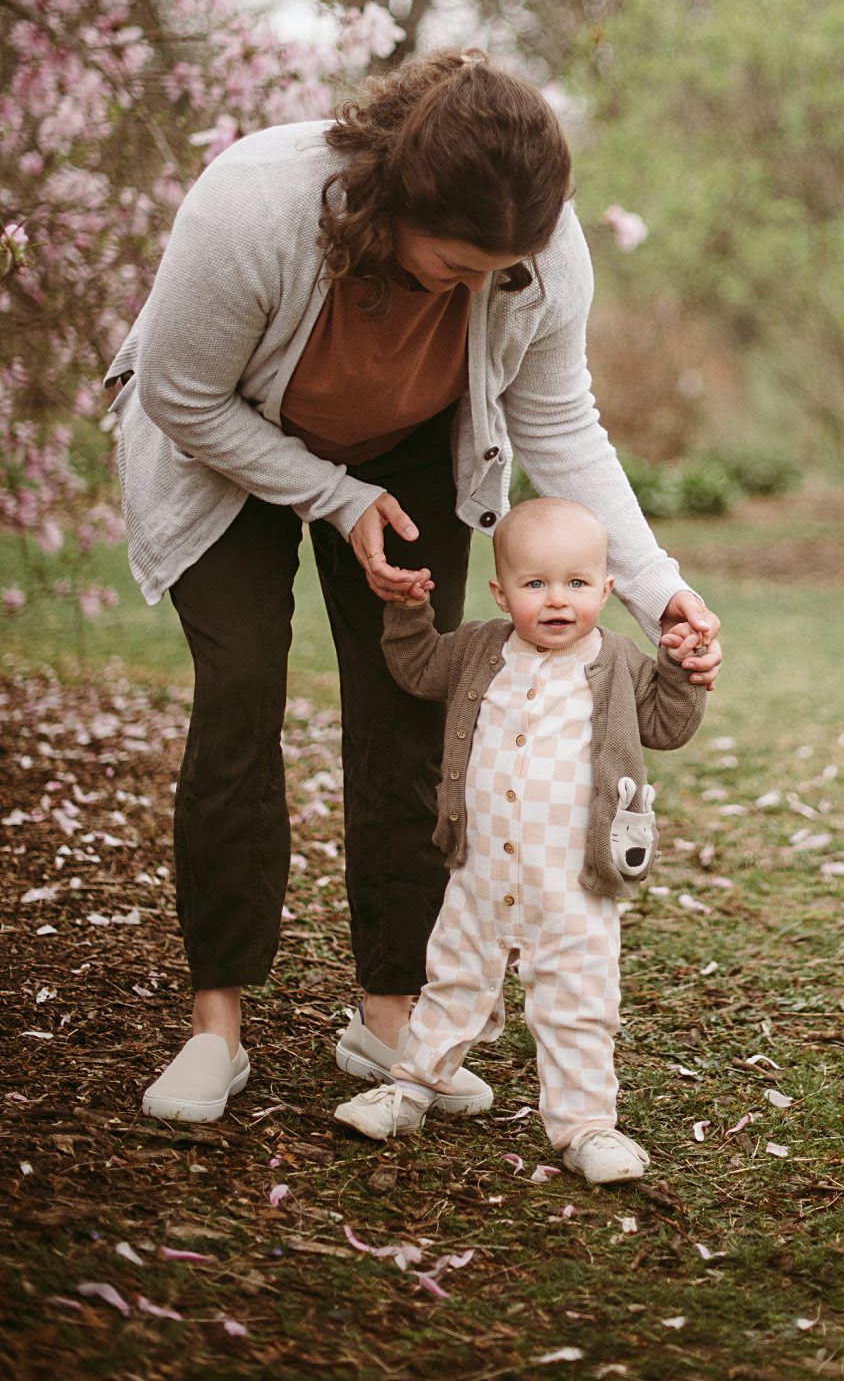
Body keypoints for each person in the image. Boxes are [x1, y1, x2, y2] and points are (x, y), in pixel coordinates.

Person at [104, 50, 721, 1124]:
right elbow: (179, 394)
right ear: (396, 204)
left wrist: (654, 587)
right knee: (241, 688)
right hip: (220, 450)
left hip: (408, 455)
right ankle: (217, 1025)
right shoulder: (255, 206)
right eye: (460, 266)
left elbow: (558, 421)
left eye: (505, 268)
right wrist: (331, 498)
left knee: (411, 705)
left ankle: (387, 1015)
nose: (486, 288)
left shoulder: (537, 253)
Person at [334, 497, 706, 1184]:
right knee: (451, 983)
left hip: (575, 883)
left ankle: (587, 1125)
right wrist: (409, 612)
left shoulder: (619, 662)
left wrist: (682, 669)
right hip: (480, 872)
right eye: (535, 584)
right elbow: (416, 669)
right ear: (501, 592)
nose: (557, 599)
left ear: (607, 589)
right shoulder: (478, 649)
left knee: (577, 1003)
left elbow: (668, 723)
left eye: (576, 583)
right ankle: (411, 1086)